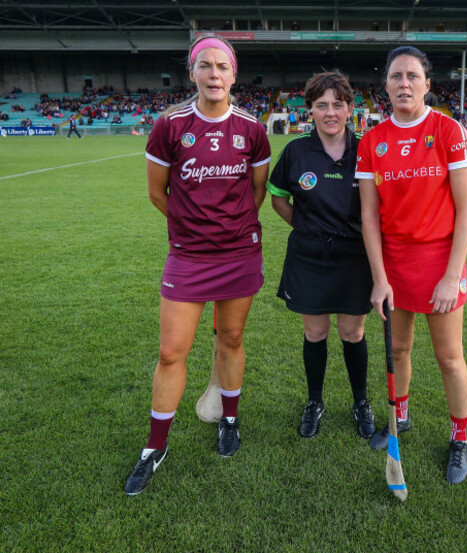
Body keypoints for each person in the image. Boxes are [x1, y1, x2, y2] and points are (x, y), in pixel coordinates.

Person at [124, 35, 271, 495]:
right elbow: (156, 193)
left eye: (222, 67)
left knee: (230, 339)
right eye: (204, 66)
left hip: (239, 254)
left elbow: (257, 192)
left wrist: (228, 230)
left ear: (233, 74)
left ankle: (229, 419)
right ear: (192, 73)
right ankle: (154, 447)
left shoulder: (252, 129)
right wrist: (191, 228)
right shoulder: (169, 125)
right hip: (188, 257)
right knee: (171, 352)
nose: (213, 75)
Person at [356, 46, 467, 485]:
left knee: (449, 358)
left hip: (441, 262)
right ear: (385, 85)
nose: (404, 83)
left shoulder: (450, 131)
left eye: (412, 76)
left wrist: (450, 275)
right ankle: (400, 418)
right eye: (395, 76)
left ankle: (459, 439)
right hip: (394, 266)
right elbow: (369, 216)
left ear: (427, 82)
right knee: (399, 351)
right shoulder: (371, 140)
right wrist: (379, 278)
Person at [267, 72, 376, 439]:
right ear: (309, 110)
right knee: (315, 333)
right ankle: (315, 401)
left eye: (338, 105)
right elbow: (278, 198)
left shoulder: (366, 149)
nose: (330, 112)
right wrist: (306, 226)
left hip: (354, 256)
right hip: (309, 255)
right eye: (321, 105)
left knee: (352, 332)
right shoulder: (296, 150)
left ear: (350, 110)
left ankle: (360, 401)